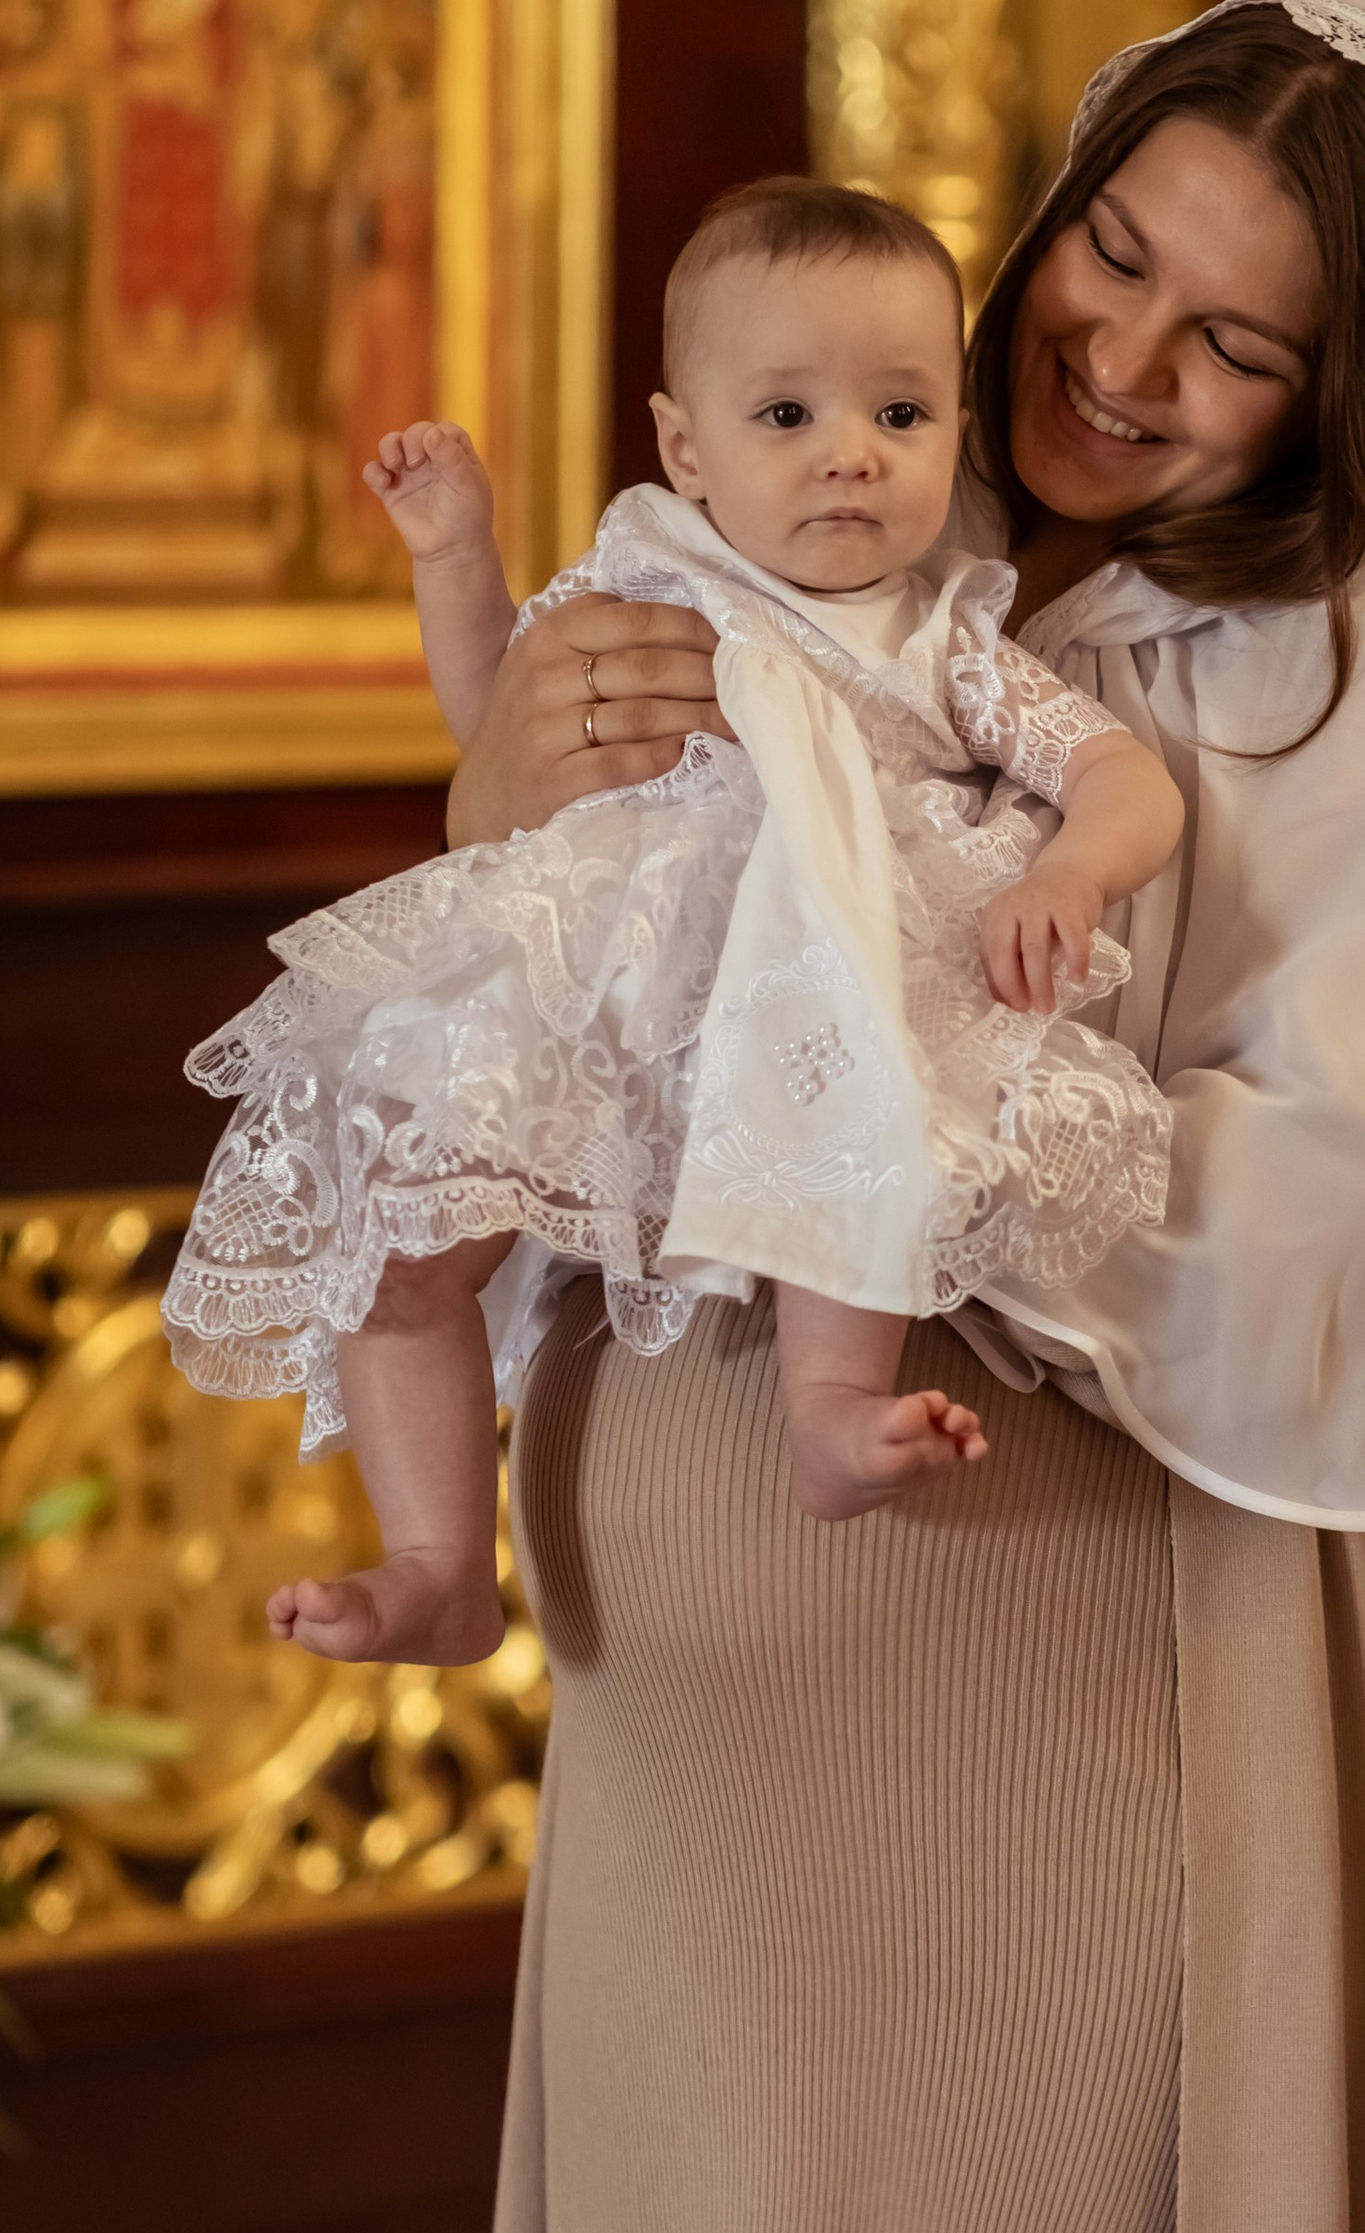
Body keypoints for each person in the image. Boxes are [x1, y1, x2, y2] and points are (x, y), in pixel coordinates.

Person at [414, 0, 1365, 2233]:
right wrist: (500, 747)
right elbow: (556, 935)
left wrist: (943, 1167)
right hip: (699, 1611)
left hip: (1065, 1635)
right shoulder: (853, 482)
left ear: (1354, 400)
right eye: (1111, 255)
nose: (1118, 358)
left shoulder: (1364, 655)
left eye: (1233, 343)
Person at [163, 177, 1183, 1663]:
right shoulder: (645, 574)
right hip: (596, 987)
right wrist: (456, 552)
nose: (849, 456)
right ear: (683, 448)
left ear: (954, 433)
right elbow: (495, 723)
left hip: (808, 969)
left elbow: (1120, 776)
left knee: (855, 1121)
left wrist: (1067, 875)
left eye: (899, 416)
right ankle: (440, 1562)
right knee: (402, 1231)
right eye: (788, 418)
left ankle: (830, 1414)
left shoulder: (940, 642)